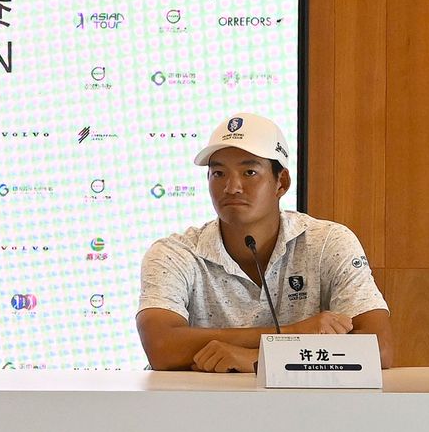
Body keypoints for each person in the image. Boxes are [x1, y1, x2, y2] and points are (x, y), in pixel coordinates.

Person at [136, 113, 392, 372]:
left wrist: (258, 360)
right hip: (196, 410)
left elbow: (378, 349)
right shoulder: (175, 252)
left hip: (303, 410)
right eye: (218, 173)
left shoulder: (329, 242)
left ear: (281, 183)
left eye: (249, 172)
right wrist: (295, 334)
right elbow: (161, 346)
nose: (232, 187)